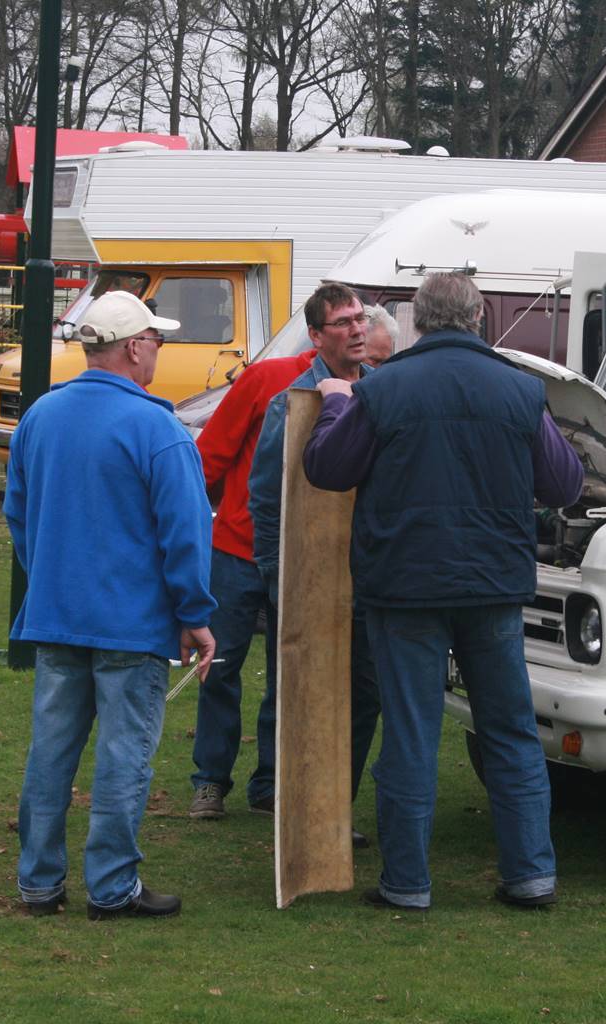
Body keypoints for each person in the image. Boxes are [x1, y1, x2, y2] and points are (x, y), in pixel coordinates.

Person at [303, 272, 583, 911]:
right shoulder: (520, 390)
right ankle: (531, 875)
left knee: (410, 731)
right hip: (493, 586)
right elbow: (565, 485)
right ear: (479, 319)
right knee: (510, 731)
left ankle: (407, 884)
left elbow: (327, 469)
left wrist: (340, 403)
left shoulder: (385, 388)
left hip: (405, 587)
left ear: (417, 323)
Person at [5, 290, 217, 920]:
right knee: (124, 757)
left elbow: (18, 515)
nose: (159, 350)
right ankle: (112, 886)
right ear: (133, 347)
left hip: (58, 616)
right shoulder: (157, 426)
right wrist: (195, 615)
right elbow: (185, 531)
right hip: (131, 625)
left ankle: (39, 882)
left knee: (51, 752)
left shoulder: (41, 415)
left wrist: (49, 574)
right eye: (157, 340)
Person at [247, 284, 382, 847]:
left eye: (360, 318)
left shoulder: (381, 391)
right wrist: (280, 578)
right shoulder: (293, 402)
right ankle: (299, 814)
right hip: (307, 575)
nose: (356, 329)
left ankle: (335, 812)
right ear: (317, 335)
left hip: (368, 577)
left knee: (364, 695)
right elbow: (266, 495)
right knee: (302, 693)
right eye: (343, 322)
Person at [186, 335, 317, 820]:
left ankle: (270, 782)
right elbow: (212, 454)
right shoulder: (266, 378)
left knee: (291, 672)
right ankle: (210, 781)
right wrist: (193, 527)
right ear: (324, 333)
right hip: (239, 548)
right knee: (219, 663)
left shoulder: (364, 387)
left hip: (306, 556)